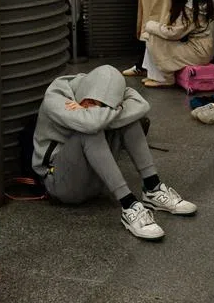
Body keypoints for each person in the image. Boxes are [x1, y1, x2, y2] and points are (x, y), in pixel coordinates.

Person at [33, 65, 197, 240]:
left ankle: (152, 188)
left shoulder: (112, 92)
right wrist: (118, 109)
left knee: (130, 121)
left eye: (104, 106)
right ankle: (129, 205)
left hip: (96, 179)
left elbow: (143, 105)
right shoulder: (56, 95)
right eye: (90, 102)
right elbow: (92, 125)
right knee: (91, 132)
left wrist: (108, 110)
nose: (94, 108)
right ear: (85, 90)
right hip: (60, 182)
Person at [139, 0, 214, 88]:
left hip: (197, 52)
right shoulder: (198, 3)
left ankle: (164, 78)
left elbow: (174, 33)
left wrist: (150, 25)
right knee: (152, 34)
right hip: (199, 49)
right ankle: (154, 74)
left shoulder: (192, 8)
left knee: (152, 36)